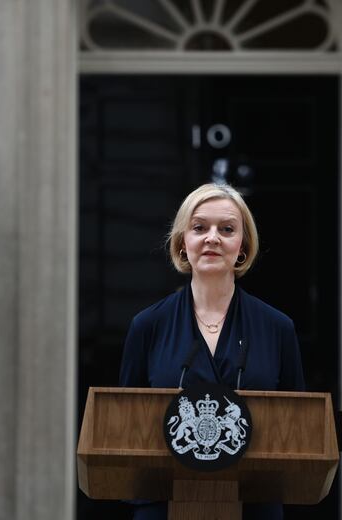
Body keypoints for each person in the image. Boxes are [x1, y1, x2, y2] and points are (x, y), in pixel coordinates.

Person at [119, 183, 305, 520]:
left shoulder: (278, 328)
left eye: (227, 229)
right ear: (182, 242)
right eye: (200, 227)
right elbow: (124, 427)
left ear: (243, 247)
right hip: (164, 505)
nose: (212, 238)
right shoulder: (147, 326)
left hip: (254, 506)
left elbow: (298, 430)